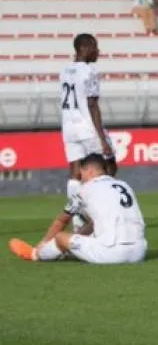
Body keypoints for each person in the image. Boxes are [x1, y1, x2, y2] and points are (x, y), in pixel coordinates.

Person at [9, 154, 146, 265]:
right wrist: (79, 236)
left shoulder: (84, 189)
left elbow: (62, 220)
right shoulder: (124, 184)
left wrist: (42, 244)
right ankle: (65, 250)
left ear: (90, 171)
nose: (81, 177)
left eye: (82, 173)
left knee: (60, 237)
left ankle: (35, 255)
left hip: (113, 254)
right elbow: (93, 223)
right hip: (139, 251)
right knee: (90, 227)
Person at [60, 33, 115, 232]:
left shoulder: (65, 70)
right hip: (87, 127)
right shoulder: (90, 71)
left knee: (75, 171)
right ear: (84, 48)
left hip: (68, 127)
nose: (98, 51)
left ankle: (77, 219)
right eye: (95, 47)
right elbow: (92, 105)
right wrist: (102, 139)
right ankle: (100, 214)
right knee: (109, 164)